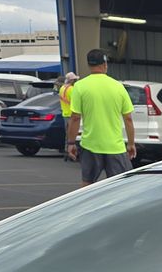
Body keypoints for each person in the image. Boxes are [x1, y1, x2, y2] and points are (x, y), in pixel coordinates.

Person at [65, 50, 135, 185]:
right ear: (105, 64)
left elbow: (75, 118)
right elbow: (128, 119)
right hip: (115, 147)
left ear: (89, 65)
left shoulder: (80, 86)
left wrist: (71, 143)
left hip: (90, 145)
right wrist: (131, 144)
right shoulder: (118, 86)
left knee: (87, 184)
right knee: (119, 185)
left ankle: (86, 206)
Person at [56, 71, 78, 157]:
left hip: (65, 113)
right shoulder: (71, 89)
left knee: (68, 133)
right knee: (73, 133)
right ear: (72, 80)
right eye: (75, 80)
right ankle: (72, 151)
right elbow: (75, 101)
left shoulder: (62, 88)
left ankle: (67, 150)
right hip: (71, 114)